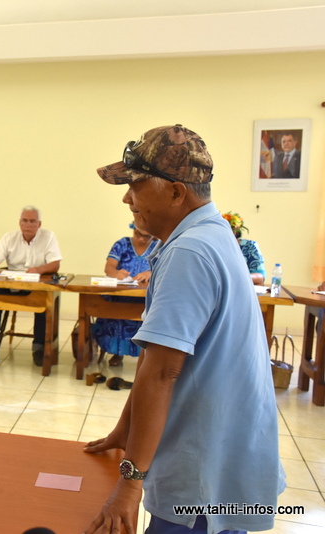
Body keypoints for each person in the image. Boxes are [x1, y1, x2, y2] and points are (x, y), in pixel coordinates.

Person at [85, 124, 284, 534]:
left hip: (200, 473)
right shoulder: (210, 234)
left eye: (136, 185)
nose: (127, 198)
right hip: (227, 454)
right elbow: (155, 360)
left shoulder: (189, 251)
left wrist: (129, 483)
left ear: (177, 192)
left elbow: (162, 373)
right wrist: (125, 427)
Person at [0, 206, 62, 366]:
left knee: (43, 305)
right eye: (25, 220)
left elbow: (55, 264)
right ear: (19, 223)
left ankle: (39, 349)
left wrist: (39, 269)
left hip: (36, 286)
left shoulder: (48, 236)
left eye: (32, 221)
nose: (28, 225)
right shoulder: (9, 238)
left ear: (39, 224)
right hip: (11, 284)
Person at [92, 223, 158, 367]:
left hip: (145, 298)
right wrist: (116, 274)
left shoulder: (158, 247)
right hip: (121, 294)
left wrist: (150, 273)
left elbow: (166, 268)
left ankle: (145, 357)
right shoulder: (122, 244)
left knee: (146, 315)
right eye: (137, 234)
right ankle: (117, 353)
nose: (141, 239)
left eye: (146, 236)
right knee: (114, 312)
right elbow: (109, 267)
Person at [222, 211, 265, 285]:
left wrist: (236, 278)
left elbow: (260, 276)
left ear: (236, 231)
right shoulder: (213, 246)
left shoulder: (249, 246)